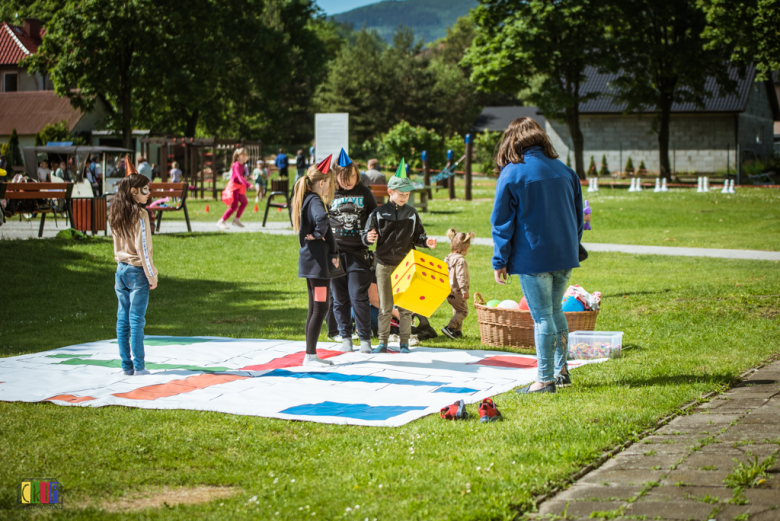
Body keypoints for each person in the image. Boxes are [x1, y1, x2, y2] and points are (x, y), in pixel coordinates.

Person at [491, 117, 583, 394]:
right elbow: (578, 218)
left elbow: (502, 223)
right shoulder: (566, 171)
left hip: (534, 257)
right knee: (556, 312)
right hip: (565, 255)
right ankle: (561, 371)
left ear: (512, 142)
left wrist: (500, 260)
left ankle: (544, 380)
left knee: (543, 317)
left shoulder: (512, 173)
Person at [363, 160, 437, 354]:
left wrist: (426, 242)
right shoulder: (378, 214)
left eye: (407, 194)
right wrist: (368, 237)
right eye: (401, 194)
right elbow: (366, 235)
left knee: (405, 307)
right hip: (383, 265)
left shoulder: (412, 214)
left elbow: (419, 235)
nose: (405, 197)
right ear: (390, 192)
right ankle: (382, 343)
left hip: (405, 266)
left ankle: (404, 343)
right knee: (385, 307)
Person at [292, 157, 343, 367]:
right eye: (329, 183)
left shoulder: (306, 199)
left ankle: (310, 354)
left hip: (312, 264)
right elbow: (322, 219)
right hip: (318, 266)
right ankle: (310, 356)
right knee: (320, 308)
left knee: (315, 308)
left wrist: (318, 232)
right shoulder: (314, 200)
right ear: (321, 182)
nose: (330, 187)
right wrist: (319, 233)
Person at [108, 170, 158, 376]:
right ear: (133, 191)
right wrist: (151, 275)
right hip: (137, 271)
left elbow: (116, 244)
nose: (148, 194)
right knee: (136, 320)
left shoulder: (115, 212)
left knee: (123, 319)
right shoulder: (140, 215)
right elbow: (143, 248)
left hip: (120, 269)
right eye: (145, 190)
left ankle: (126, 367)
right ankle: (139, 366)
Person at [329, 149, 378, 354]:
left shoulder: (364, 192)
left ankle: (365, 339)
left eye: (352, 177)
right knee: (339, 298)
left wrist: (370, 234)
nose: (348, 182)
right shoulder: (329, 193)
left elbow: (374, 216)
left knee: (358, 296)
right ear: (335, 176)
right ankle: (345, 338)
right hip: (334, 255)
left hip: (359, 253)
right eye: (343, 178)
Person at [441, 228, 475, 340]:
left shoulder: (447, 258)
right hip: (458, 291)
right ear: (465, 248)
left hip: (449, 291)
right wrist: (464, 290)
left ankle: (457, 332)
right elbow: (461, 276)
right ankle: (449, 328)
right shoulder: (461, 260)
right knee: (463, 311)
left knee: (457, 310)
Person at [217, 148, 252, 229]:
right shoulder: (236, 165)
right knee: (234, 206)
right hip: (234, 187)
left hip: (239, 187)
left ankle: (236, 220)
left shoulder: (242, 164)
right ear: (242, 156)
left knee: (244, 202)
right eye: (247, 156)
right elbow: (239, 177)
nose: (248, 158)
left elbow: (242, 177)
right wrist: (248, 185)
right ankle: (221, 221)